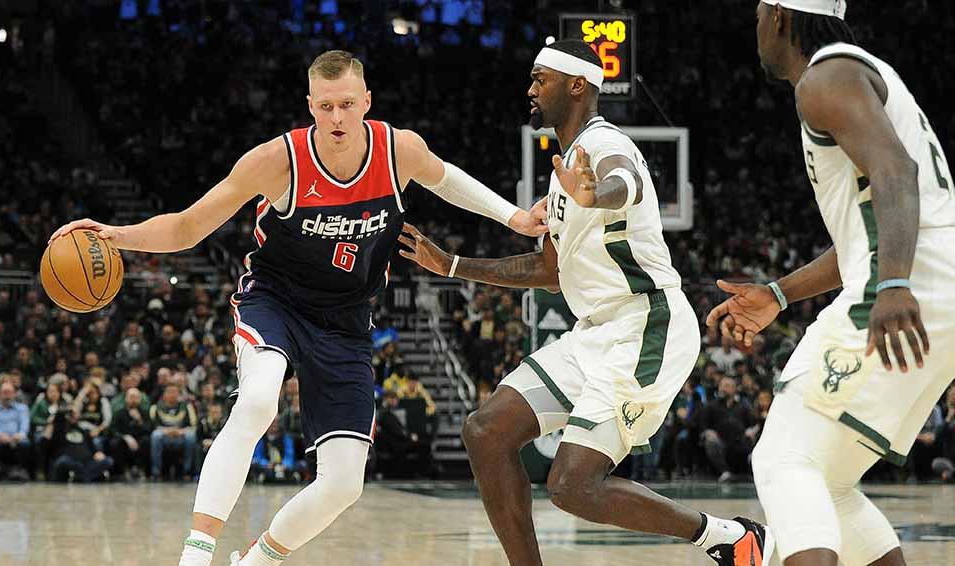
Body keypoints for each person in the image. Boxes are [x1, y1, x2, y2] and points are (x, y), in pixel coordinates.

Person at [50, 49, 546, 566]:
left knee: (344, 484)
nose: (337, 118)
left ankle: (255, 562)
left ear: (366, 102)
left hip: (348, 321)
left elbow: (446, 179)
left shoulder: (399, 150)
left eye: (347, 104)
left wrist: (513, 218)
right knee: (260, 400)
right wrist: (116, 234)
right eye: (326, 106)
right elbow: (187, 227)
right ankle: (195, 556)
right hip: (276, 302)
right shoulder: (275, 161)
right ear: (310, 105)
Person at [400, 39, 771, 566]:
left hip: (647, 324)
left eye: (539, 79)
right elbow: (549, 270)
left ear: (577, 85)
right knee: (486, 432)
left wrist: (596, 194)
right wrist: (453, 266)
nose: (530, 89)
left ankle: (727, 537)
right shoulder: (564, 173)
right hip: (593, 332)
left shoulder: (604, 146)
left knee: (573, 486)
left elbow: (623, 180)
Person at [707, 2, 955, 565]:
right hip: (933, 285)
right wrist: (779, 292)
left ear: (777, 17)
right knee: (831, 483)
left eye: (756, 18)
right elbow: (862, 235)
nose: (755, 31)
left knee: (784, 459)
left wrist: (893, 283)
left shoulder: (827, 76)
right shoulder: (858, 72)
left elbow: (897, 172)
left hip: (911, 285)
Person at [0, 380, 31, 481]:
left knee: (25, 443)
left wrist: (20, 434)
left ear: (14, 394)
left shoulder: (23, 408)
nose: (7, 395)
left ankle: (21, 469)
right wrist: (0, 435)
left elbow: (24, 426)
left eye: (9, 392)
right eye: (4, 392)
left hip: (17, 437)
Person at [149, 384, 197, 480]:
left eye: (175, 392)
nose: (172, 394)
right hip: (164, 436)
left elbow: (193, 426)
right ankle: (156, 473)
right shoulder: (155, 407)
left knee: (191, 436)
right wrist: (167, 431)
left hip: (181, 436)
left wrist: (180, 431)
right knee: (155, 436)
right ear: (164, 394)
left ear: (179, 394)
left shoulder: (187, 407)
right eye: (169, 392)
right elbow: (152, 426)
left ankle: (186, 471)